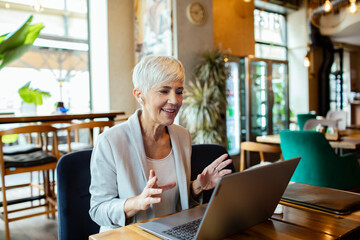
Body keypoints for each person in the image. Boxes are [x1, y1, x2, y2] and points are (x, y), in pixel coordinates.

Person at [89, 55, 233, 232]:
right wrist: (137, 202)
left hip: (173, 232)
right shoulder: (110, 141)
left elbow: (172, 202)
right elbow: (98, 210)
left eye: (179, 91)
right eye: (164, 91)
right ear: (139, 95)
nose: (175, 100)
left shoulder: (182, 136)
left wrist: (197, 186)